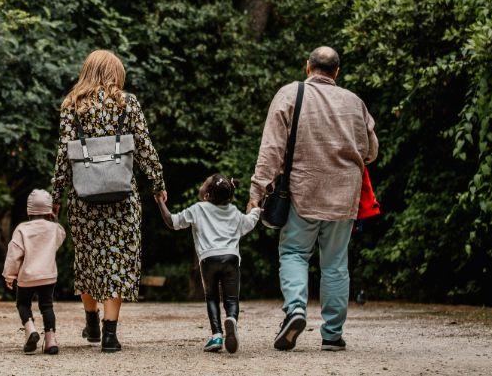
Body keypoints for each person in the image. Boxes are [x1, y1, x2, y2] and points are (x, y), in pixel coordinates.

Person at [248, 46, 378, 352]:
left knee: (294, 253)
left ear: (308, 67)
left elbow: (271, 149)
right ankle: (332, 335)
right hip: (344, 197)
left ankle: (295, 310)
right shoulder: (354, 102)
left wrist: (256, 192)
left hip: (301, 192)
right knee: (335, 264)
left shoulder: (290, 94)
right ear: (337, 72)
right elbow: (371, 151)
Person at [51, 50, 167, 353]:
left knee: (88, 259)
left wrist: (56, 196)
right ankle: (110, 334)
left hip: (83, 196)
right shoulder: (127, 103)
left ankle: (91, 318)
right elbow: (144, 146)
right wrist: (157, 183)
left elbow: (64, 154)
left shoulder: (72, 105)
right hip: (122, 195)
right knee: (117, 259)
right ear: (115, 72)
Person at [156, 174, 260, 354]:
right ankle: (232, 320)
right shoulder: (234, 211)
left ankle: (217, 335)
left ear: (206, 196)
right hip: (231, 258)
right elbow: (248, 223)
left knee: (212, 297)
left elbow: (172, 222)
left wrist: (160, 202)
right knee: (231, 299)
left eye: (204, 183)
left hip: (208, 260)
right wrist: (255, 210)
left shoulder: (198, 209)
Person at [2, 188, 66, 355]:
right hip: (48, 276)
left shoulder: (22, 229)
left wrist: (10, 275)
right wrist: (54, 218)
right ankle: (51, 341)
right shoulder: (54, 228)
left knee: (23, 304)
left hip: (27, 276)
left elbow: (14, 252)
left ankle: (30, 330)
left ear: (28, 210)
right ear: (50, 210)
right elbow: (59, 238)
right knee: (47, 306)